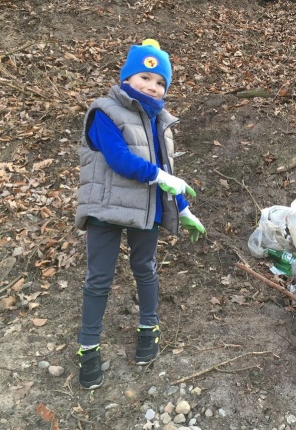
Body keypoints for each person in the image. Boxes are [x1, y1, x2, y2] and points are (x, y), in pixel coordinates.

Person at [74, 39, 205, 389]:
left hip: (145, 209)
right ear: (127, 77)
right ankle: (88, 347)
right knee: (98, 278)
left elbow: (166, 171)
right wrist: (162, 177)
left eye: (160, 81)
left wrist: (183, 208)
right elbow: (118, 159)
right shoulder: (104, 111)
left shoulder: (160, 122)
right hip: (106, 208)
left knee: (144, 269)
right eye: (145, 77)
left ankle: (149, 327)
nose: (153, 86)